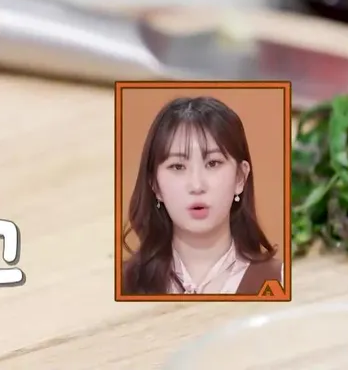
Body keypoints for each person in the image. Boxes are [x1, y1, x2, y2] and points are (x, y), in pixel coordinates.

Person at [120, 96, 282, 295]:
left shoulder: (278, 281)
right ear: (155, 185)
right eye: (178, 166)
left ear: (240, 177)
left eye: (213, 163)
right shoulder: (124, 283)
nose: (197, 186)